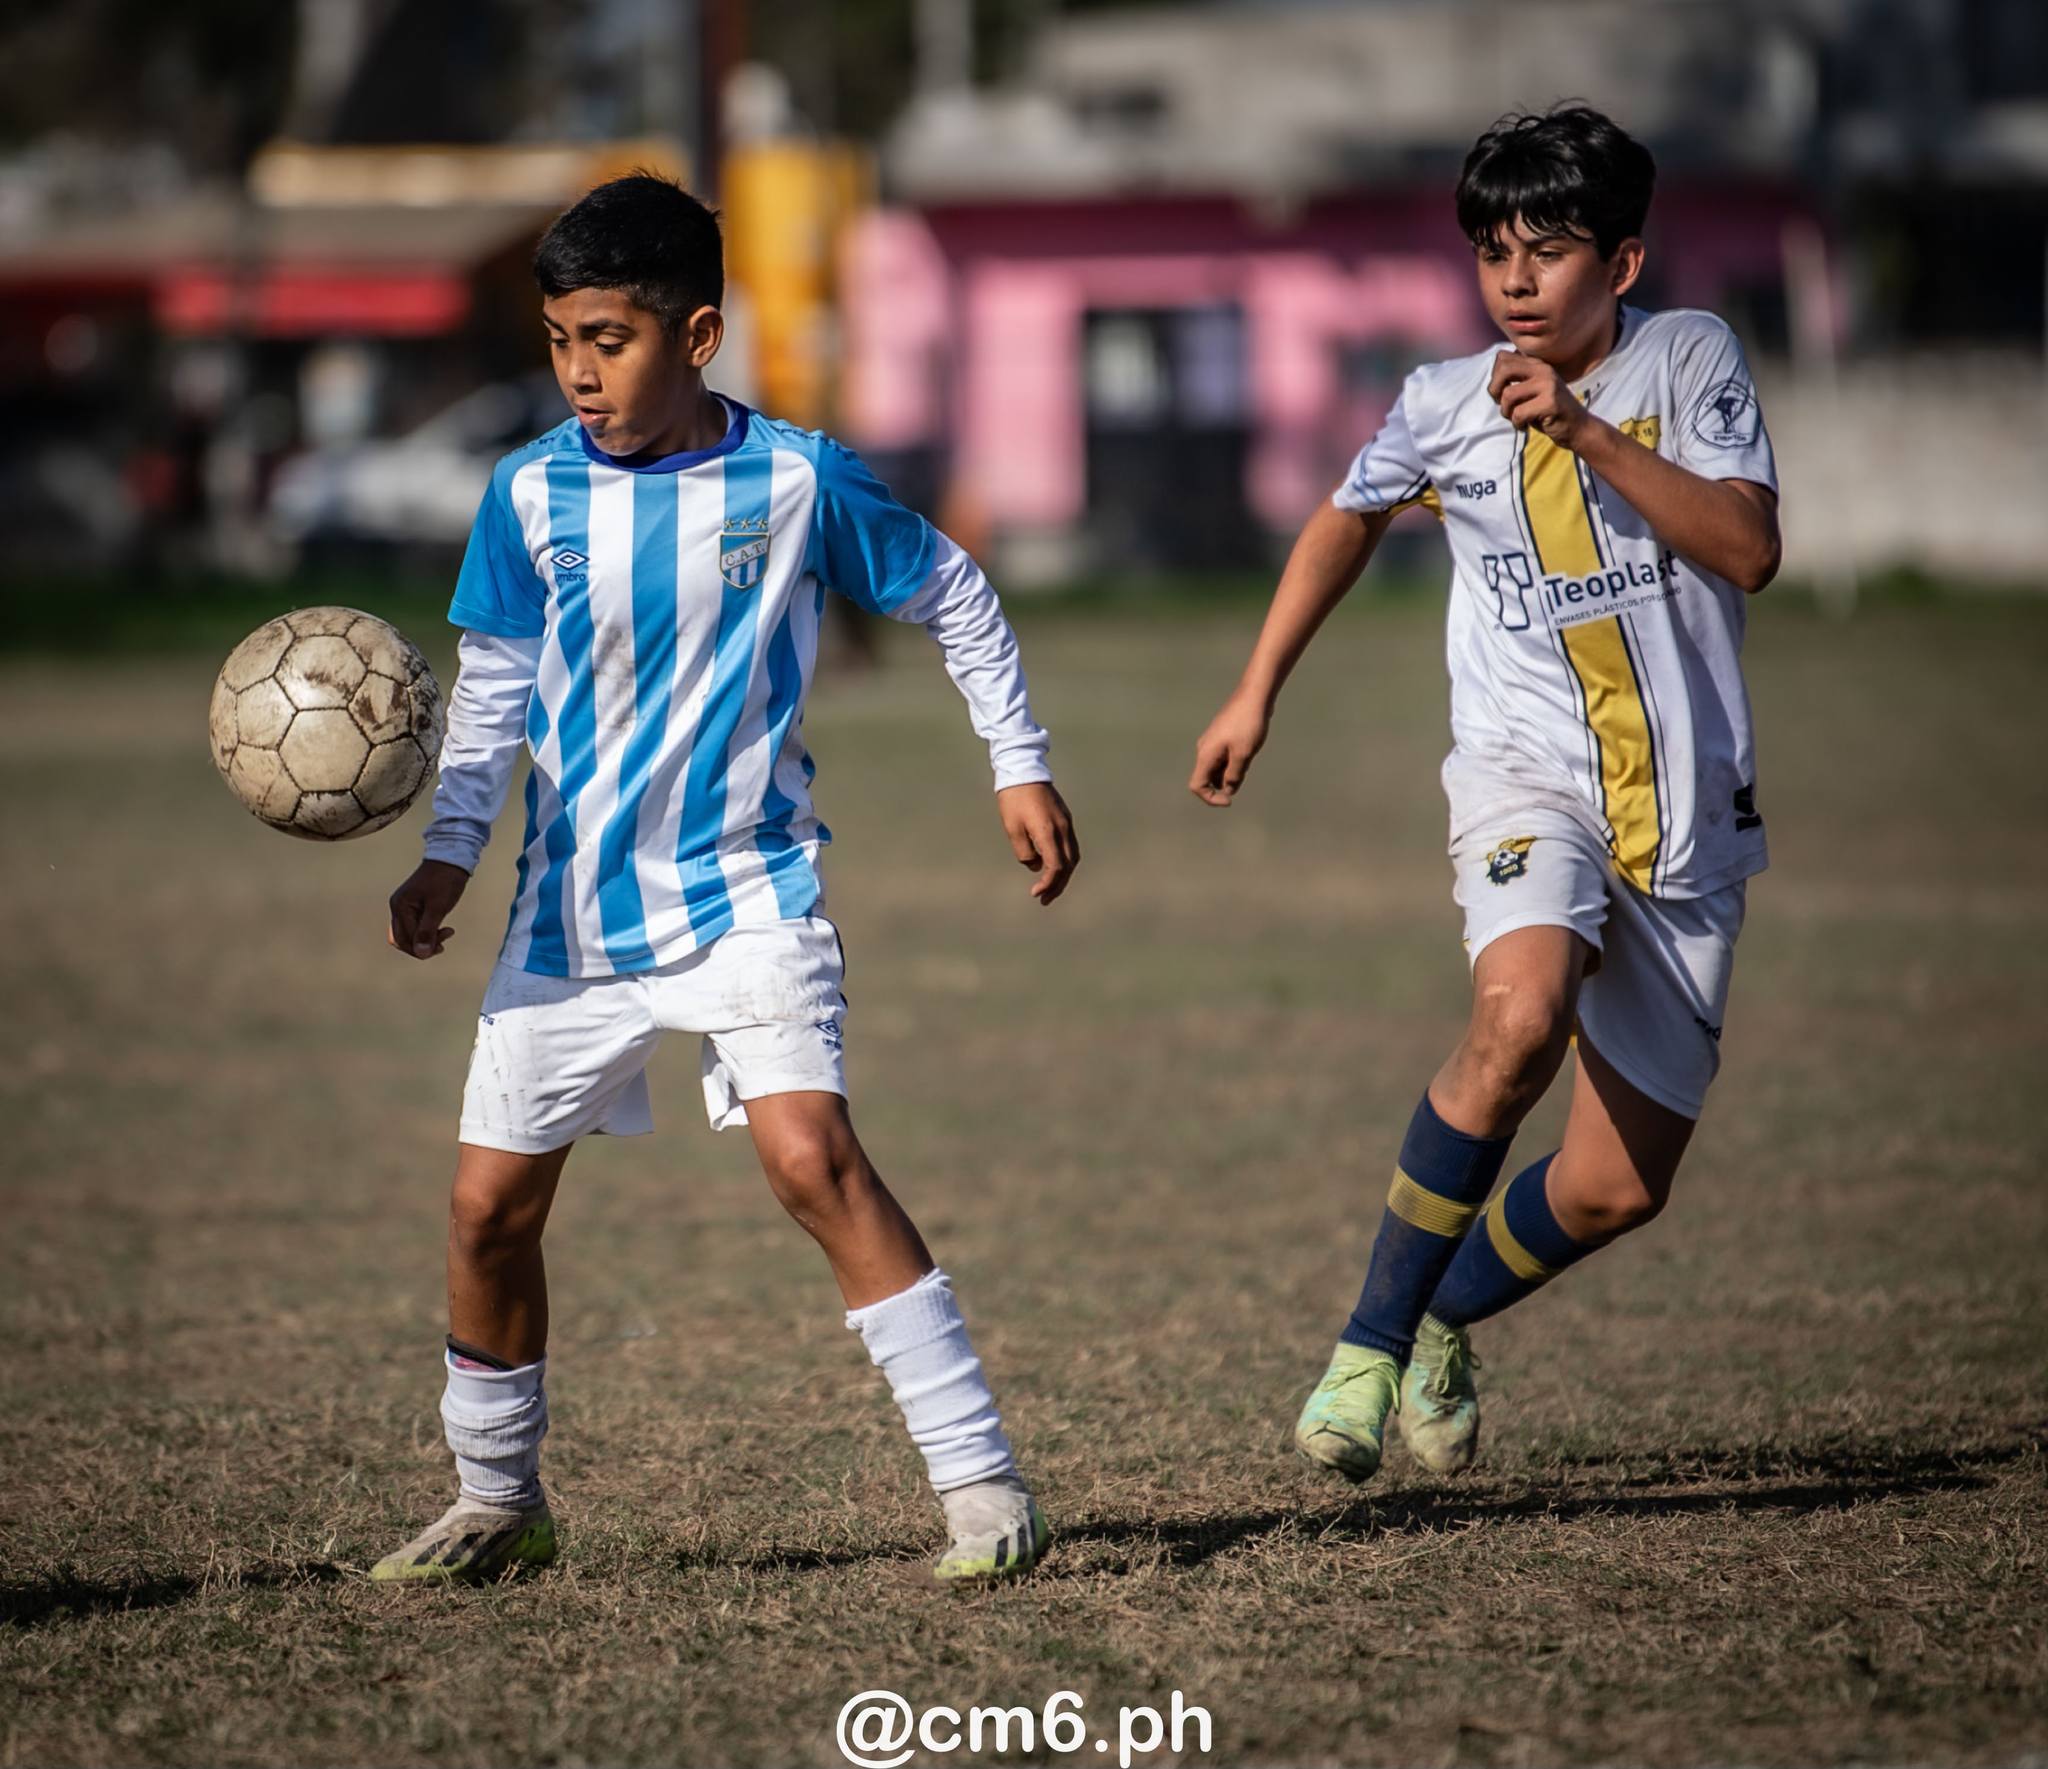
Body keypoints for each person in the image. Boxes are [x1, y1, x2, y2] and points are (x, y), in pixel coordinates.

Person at [372, 173, 1078, 1583]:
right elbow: (496, 688)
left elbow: (955, 591)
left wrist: (1019, 758)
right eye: (562, 339)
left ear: (695, 334)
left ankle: (984, 1489)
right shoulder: (526, 494)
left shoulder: (798, 478)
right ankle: (497, 1503)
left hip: (750, 886)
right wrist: (451, 849)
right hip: (571, 912)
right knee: (483, 1211)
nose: (579, 372)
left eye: (609, 340)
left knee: (811, 1158)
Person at [1190, 106, 1780, 1484]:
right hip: (1526, 779)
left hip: (1687, 814)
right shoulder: (1441, 401)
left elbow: (1747, 548)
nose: (1515, 279)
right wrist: (1254, 689)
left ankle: (1443, 1317)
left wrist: (1584, 432)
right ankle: (1364, 1349)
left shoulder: (1687, 360)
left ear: (1622, 262)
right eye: (1493, 251)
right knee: (1516, 1019)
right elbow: (1346, 515)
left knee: (1616, 1185)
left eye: (1550, 249)